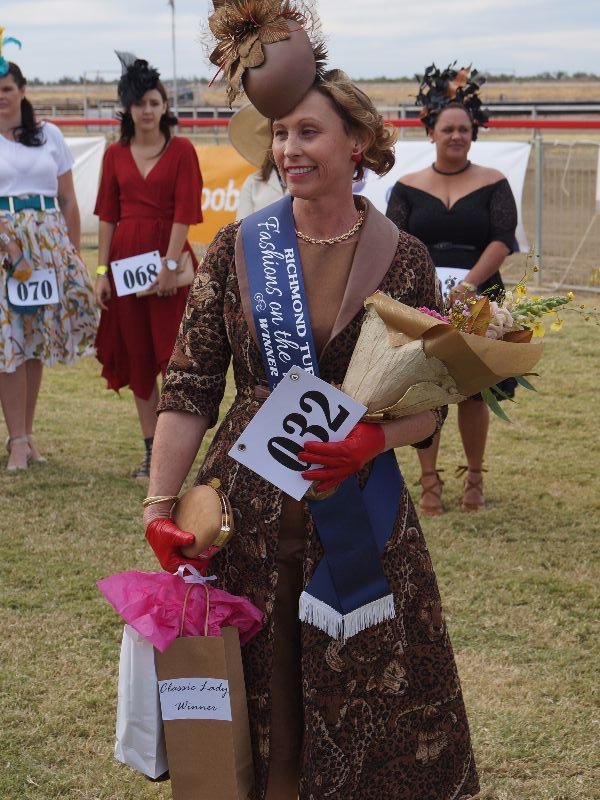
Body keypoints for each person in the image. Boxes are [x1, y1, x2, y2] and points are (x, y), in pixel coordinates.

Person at [142, 8, 480, 798]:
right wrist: (160, 504)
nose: (290, 150)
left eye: (308, 132)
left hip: (360, 510)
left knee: (364, 702)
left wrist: (373, 441)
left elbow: (430, 407)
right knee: (257, 699)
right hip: (245, 516)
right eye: (280, 135)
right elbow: (189, 386)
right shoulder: (237, 247)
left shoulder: (405, 257)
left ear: (355, 141)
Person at [386, 63, 518, 515]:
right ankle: (429, 481)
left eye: (464, 129)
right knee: (429, 390)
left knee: (475, 391)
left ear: (473, 132)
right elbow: (397, 244)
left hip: (480, 300)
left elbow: (502, 239)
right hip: (424, 304)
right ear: (431, 132)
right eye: (448, 129)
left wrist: (468, 283)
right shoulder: (406, 187)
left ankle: (475, 476)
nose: (457, 135)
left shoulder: (494, 182)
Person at [94, 53, 203, 478]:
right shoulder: (113, 154)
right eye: (139, 103)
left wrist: (170, 264)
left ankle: (178, 454)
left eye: (154, 102)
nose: (147, 110)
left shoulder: (182, 150)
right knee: (138, 359)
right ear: (127, 107)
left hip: (168, 263)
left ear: (165, 106)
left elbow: (185, 211)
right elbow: (107, 216)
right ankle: (151, 451)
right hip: (124, 268)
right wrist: (101, 273)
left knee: (174, 361)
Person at [0, 59, 97, 471]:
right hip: (6, 249)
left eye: (7, 88)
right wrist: (10, 247)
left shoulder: (49, 135)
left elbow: (68, 200)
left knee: (34, 340)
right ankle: (17, 441)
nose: (1, 97)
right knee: (9, 343)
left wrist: (72, 254)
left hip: (47, 247)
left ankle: (26, 434)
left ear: (22, 90)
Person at [229, 103, 286, 219]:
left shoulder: (313, 182)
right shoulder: (253, 182)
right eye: (280, 134)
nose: (289, 146)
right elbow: (243, 225)